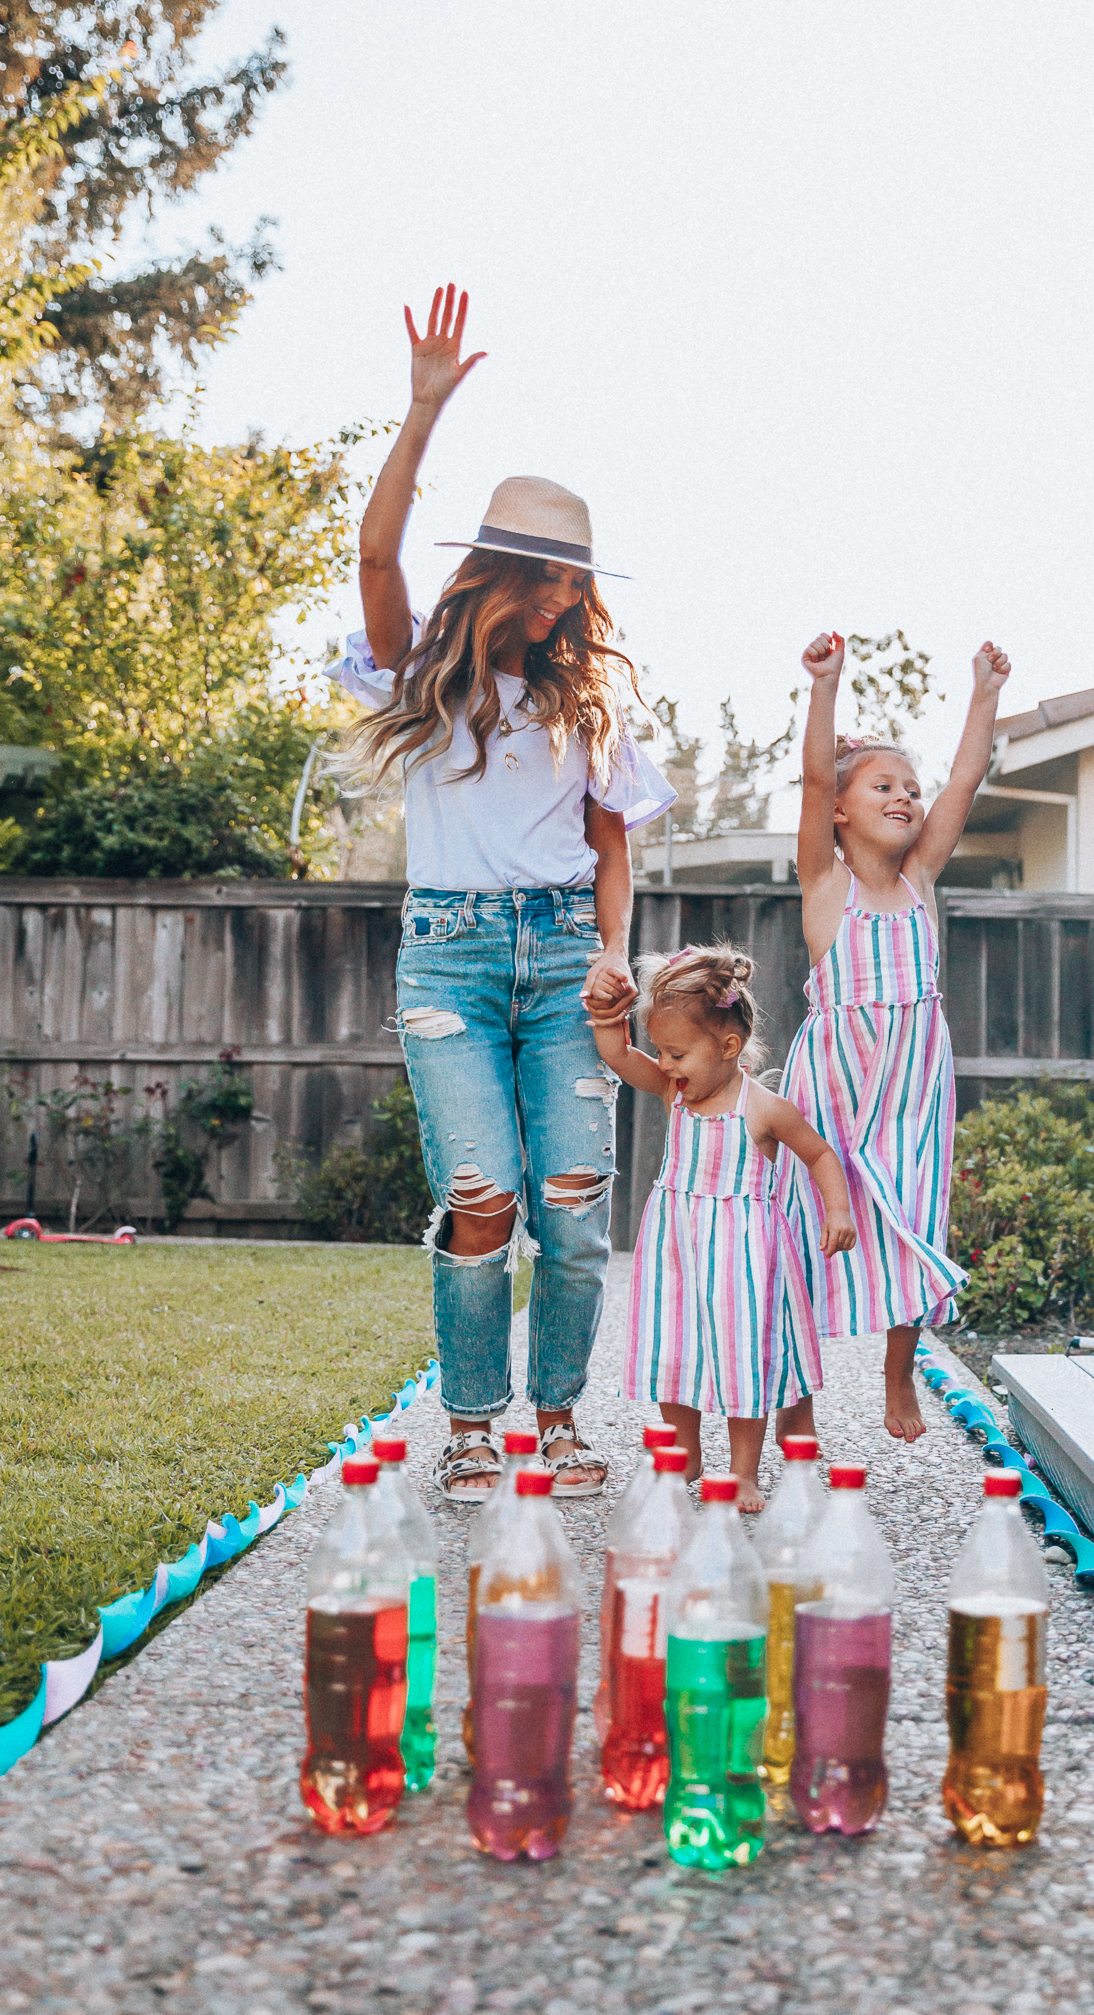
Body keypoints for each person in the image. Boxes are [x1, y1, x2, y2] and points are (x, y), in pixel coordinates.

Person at [332, 283, 674, 1501]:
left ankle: (564, 1418)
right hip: (452, 959)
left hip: (564, 955)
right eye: (540, 579)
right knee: (482, 1198)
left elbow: (611, 843)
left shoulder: (588, 707)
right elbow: (376, 554)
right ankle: (472, 1423)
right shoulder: (420, 673)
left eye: (571, 586)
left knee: (576, 1214)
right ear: (492, 573)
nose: (557, 603)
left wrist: (614, 952)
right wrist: (420, 413)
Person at [779, 631, 1011, 1444]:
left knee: (914, 1214)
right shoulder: (825, 881)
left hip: (913, 1085)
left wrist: (983, 692)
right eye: (884, 784)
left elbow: (967, 778)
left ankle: (898, 1373)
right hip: (834, 1082)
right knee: (803, 1230)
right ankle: (795, 1397)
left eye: (911, 788)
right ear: (841, 810)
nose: (907, 797)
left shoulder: (919, 881)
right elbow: (814, 775)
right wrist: (825, 686)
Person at [588, 944, 856, 1511]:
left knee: (742, 1356)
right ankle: (685, 1452)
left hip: (743, 1256)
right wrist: (608, 1017)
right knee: (672, 1345)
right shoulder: (674, 1091)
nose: (664, 1064)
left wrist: (838, 1209)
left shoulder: (764, 1109)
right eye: (660, 1050)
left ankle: (743, 1472)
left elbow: (820, 1155)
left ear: (729, 1047)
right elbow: (618, 1056)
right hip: (677, 1249)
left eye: (677, 1053)